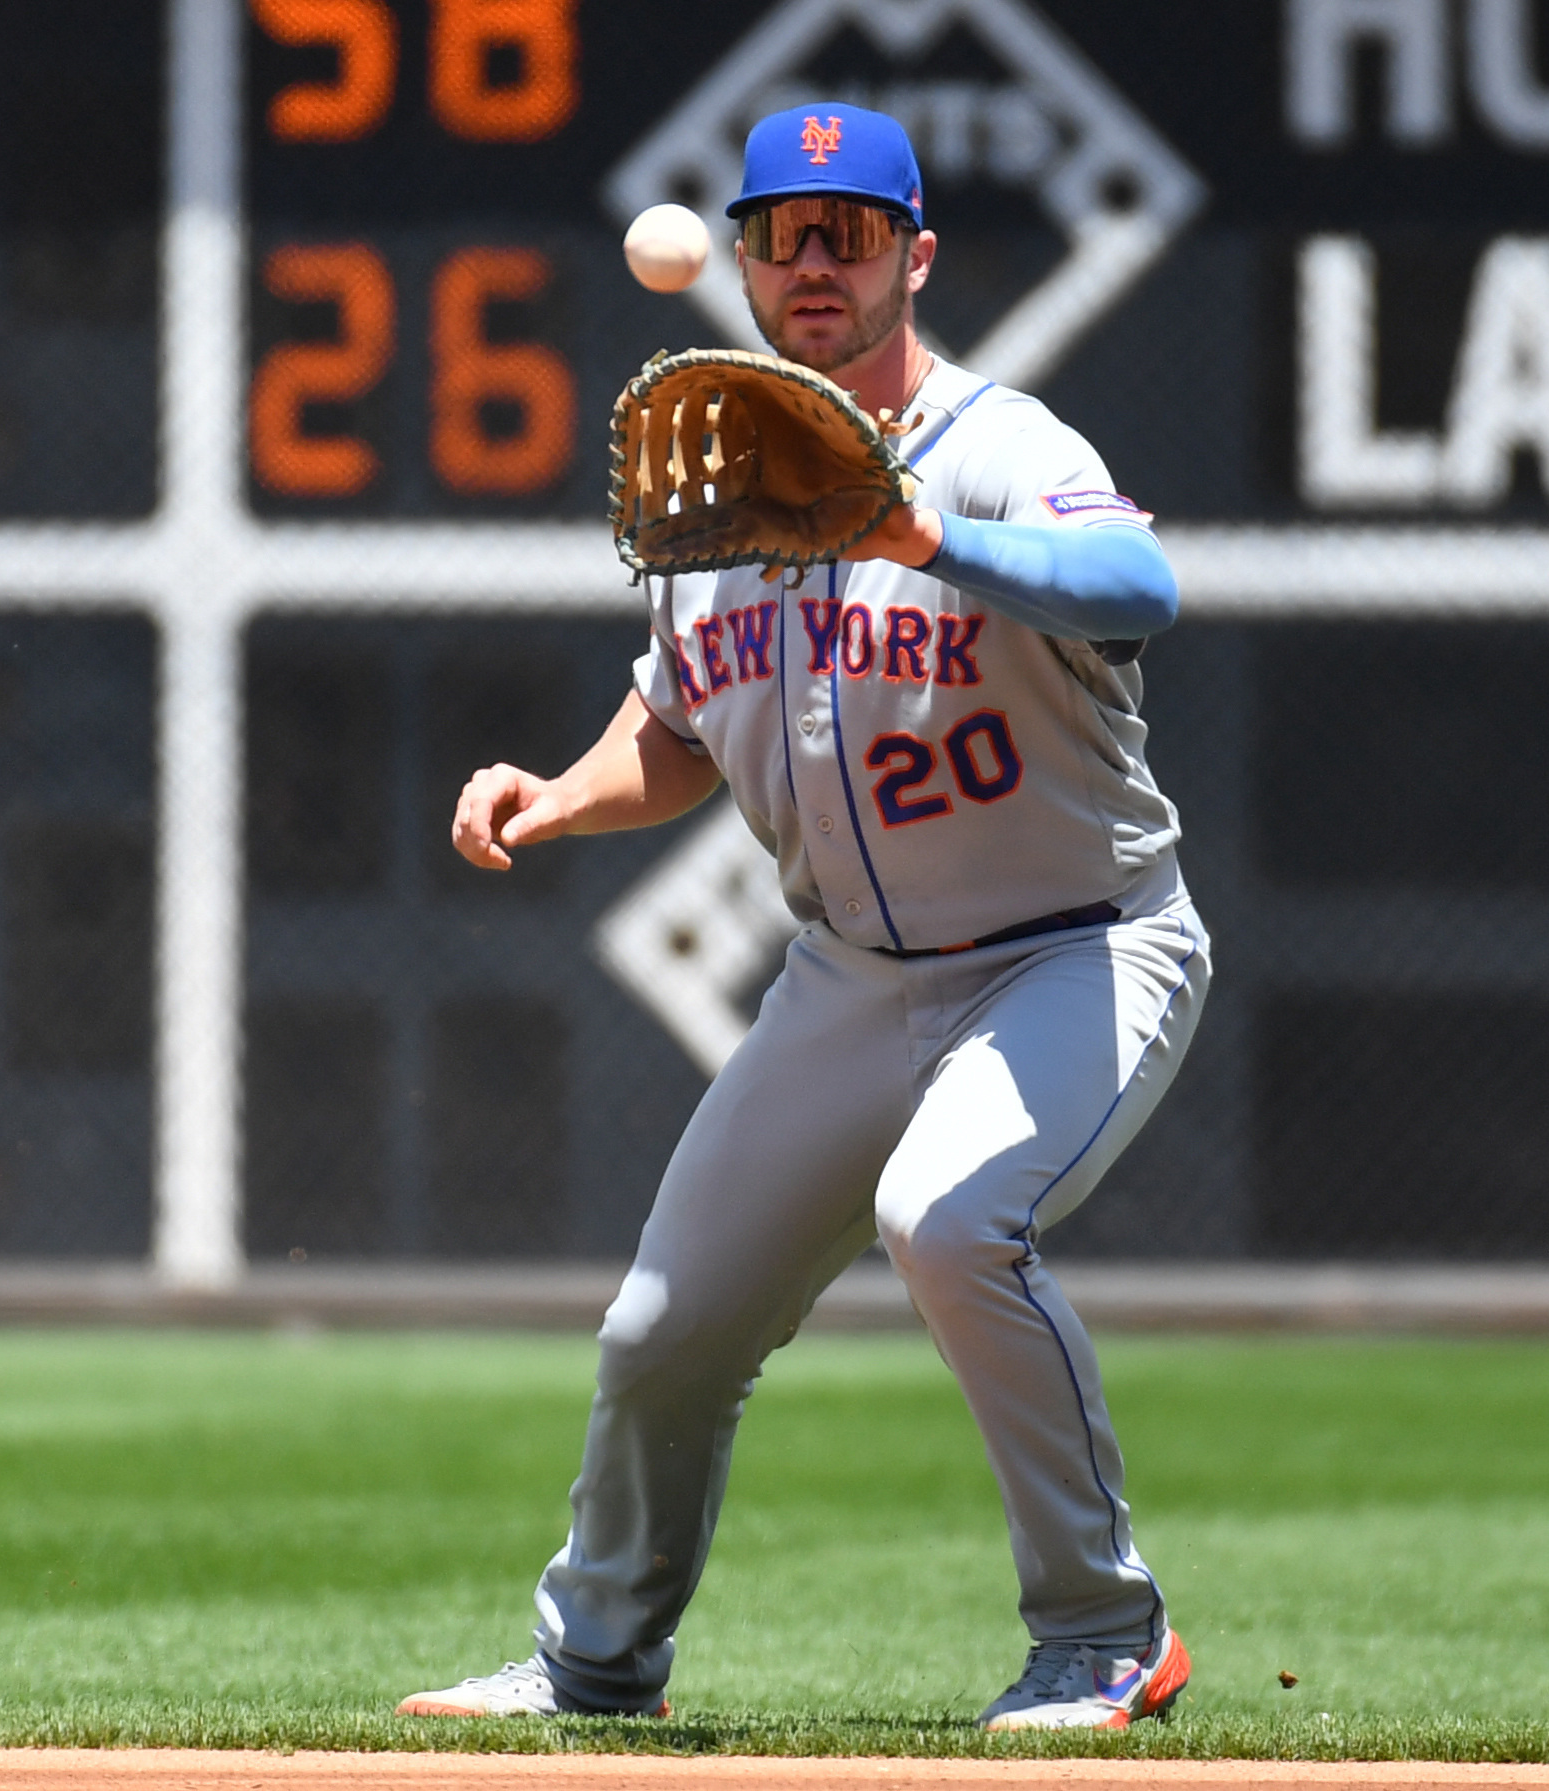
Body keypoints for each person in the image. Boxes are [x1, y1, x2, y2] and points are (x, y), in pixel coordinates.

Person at [398, 103, 1207, 1733]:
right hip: (852, 979)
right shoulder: (720, 495)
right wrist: (560, 795)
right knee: (663, 1329)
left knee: (952, 1220)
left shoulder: (1004, 449)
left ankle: (1105, 1636)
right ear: (747, 260)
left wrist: (931, 538)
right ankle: (593, 1663)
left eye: (849, 231)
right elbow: (679, 732)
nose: (812, 260)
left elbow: (1143, 592)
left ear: (916, 254)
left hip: (1076, 943)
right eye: (783, 231)